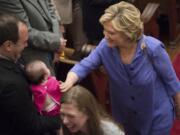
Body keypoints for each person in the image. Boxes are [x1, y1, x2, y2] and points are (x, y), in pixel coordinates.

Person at [61, 1, 180, 135]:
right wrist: (69, 81)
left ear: (128, 33)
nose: (105, 35)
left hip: (156, 117)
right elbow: (85, 65)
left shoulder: (153, 49)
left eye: (111, 32)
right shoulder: (105, 46)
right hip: (127, 119)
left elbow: (173, 84)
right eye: (104, 30)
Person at [0, 13, 61, 135]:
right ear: (8, 46)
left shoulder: (12, 61)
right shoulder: (12, 85)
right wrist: (62, 117)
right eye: (24, 42)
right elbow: (31, 126)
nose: (26, 45)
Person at [0, 0, 66, 74]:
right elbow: (23, 32)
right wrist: (55, 42)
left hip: (52, 48)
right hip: (32, 55)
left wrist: (58, 40)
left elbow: (52, 10)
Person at [60, 85, 124, 135]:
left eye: (71, 116)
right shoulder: (67, 130)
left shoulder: (110, 131)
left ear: (87, 113)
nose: (65, 121)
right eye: (62, 114)